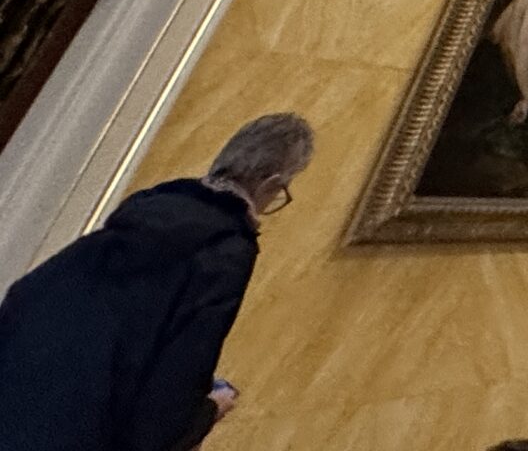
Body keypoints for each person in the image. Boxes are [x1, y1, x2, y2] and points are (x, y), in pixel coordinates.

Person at [0, 113, 314, 451]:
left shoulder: (147, 210)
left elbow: (29, 299)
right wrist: (209, 411)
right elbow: (168, 395)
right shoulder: (225, 249)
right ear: (271, 184)